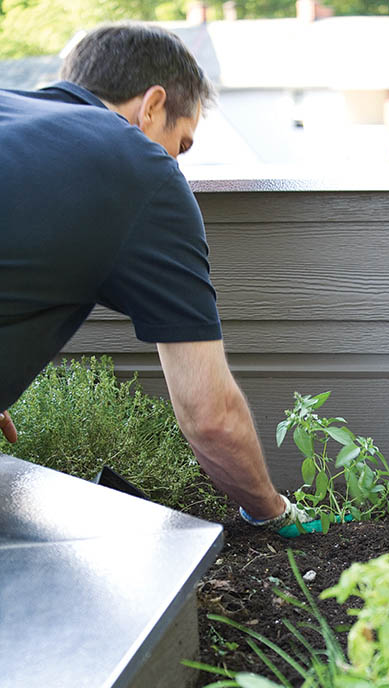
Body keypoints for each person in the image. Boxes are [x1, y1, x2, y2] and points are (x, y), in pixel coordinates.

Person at [0, 22, 304, 531]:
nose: (176, 166)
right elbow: (211, 416)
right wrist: (272, 511)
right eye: (181, 145)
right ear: (152, 106)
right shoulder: (142, 170)